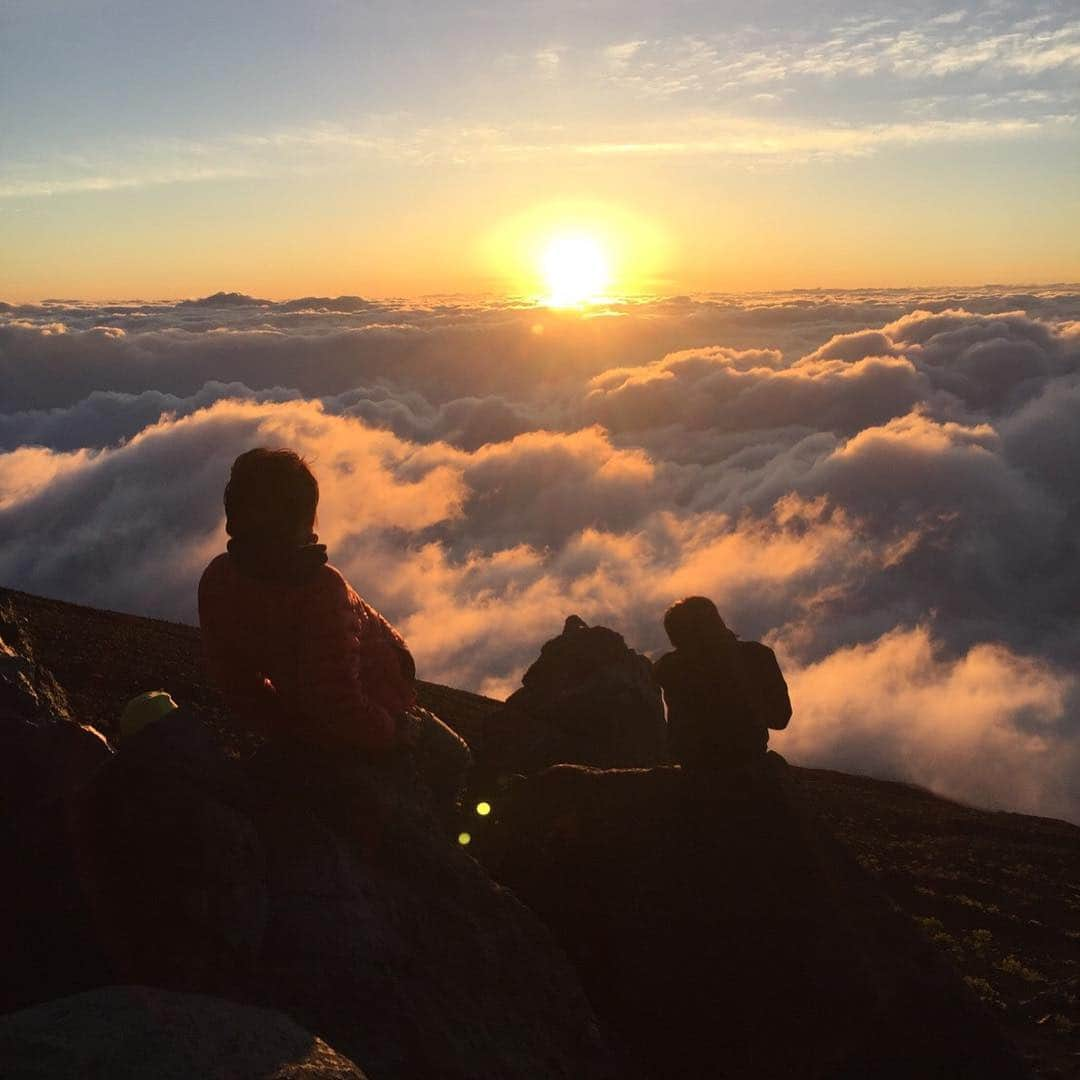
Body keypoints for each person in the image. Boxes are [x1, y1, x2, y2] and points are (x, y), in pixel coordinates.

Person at [198, 447, 469, 829]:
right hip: (381, 718)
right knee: (455, 756)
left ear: (232, 521)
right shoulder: (320, 589)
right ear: (303, 525)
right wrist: (393, 732)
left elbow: (233, 680)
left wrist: (285, 727)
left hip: (313, 726)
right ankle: (444, 839)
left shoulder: (218, 580)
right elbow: (339, 701)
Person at [653, 596, 791, 776]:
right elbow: (780, 718)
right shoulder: (757, 656)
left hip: (694, 775)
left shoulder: (668, 667)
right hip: (750, 770)